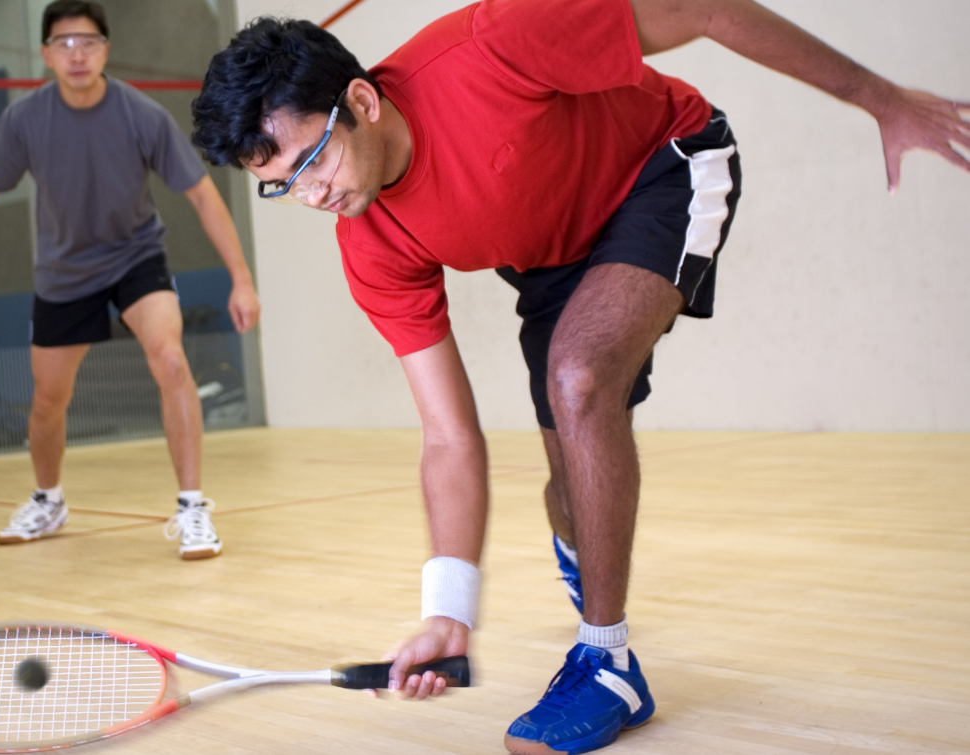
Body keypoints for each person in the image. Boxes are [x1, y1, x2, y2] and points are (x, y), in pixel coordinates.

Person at [190, 0, 968, 751]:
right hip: (556, 260)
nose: (313, 192)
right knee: (569, 485)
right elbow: (448, 435)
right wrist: (448, 612)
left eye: (314, 157)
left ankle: (609, 662)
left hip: (666, 164)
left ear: (361, 100)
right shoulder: (370, 244)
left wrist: (881, 99)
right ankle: (585, 546)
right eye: (284, 183)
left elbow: (704, 9)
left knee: (578, 375)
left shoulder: (496, 40)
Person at [0, 0, 261, 560]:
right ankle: (49, 500)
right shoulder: (24, 120)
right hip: (65, 273)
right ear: (46, 54)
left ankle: (192, 507)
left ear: (106, 50)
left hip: (137, 258)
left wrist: (241, 277)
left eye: (88, 42)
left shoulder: (142, 115)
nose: (77, 54)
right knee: (48, 399)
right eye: (64, 43)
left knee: (169, 358)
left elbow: (202, 194)